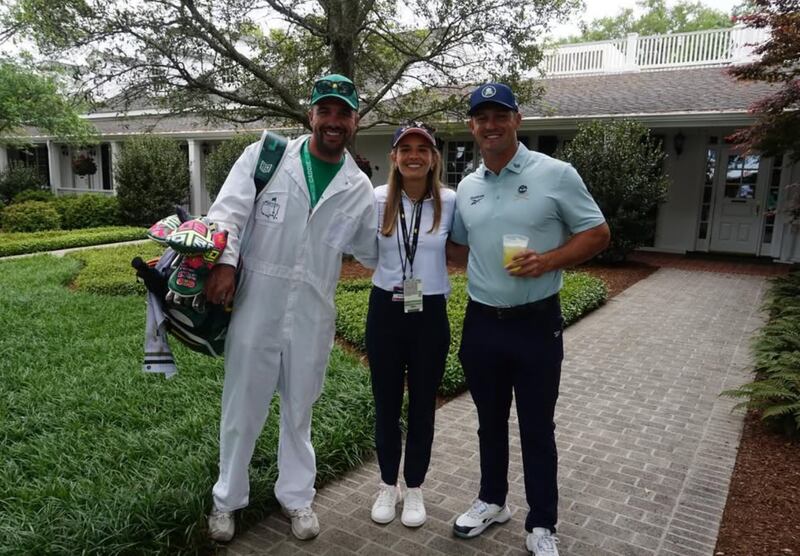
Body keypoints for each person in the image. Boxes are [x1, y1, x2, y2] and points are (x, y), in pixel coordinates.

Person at [202, 74, 378, 543]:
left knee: (300, 409)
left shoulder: (358, 187)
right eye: (326, 111)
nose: (334, 121)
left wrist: (419, 244)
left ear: (355, 121)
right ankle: (227, 501)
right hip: (257, 301)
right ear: (311, 115)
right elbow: (227, 212)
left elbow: (374, 249)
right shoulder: (268, 155)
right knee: (243, 407)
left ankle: (297, 497)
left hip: (313, 312)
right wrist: (224, 262)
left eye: (343, 113)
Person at [448, 83, 610, 556]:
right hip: (482, 321)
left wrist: (550, 260)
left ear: (518, 119)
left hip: (537, 323)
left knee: (537, 426)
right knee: (488, 422)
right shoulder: (468, 187)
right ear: (472, 126)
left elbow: (598, 233)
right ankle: (491, 500)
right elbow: (459, 248)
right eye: (482, 118)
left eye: (500, 115)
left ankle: (542, 523)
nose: (491, 125)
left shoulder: (556, 174)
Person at [366, 122, 455, 528]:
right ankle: (388, 484)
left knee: (422, 404)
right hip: (385, 307)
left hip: (430, 310)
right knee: (386, 403)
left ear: (434, 157)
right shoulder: (376, 199)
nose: (414, 155)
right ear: (395, 157)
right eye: (406, 149)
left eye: (423, 148)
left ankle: (415, 486)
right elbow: (361, 250)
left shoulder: (451, 202)